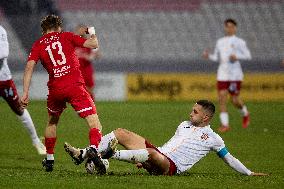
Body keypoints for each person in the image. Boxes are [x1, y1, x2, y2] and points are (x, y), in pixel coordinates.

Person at [65, 100, 266, 176]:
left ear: (206, 117)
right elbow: (169, 146)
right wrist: (143, 158)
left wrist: (248, 173)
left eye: (195, 112)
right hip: (158, 155)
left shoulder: (214, 139)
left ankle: (109, 155)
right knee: (121, 132)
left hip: (170, 168)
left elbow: (229, 158)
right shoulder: (184, 125)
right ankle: (83, 154)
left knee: (152, 153)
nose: (190, 114)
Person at [20, 14, 106, 173]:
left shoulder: (38, 44)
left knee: (52, 122)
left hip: (55, 89)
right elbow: (94, 44)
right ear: (58, 27)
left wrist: (25, 92)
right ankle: (93, 148)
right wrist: (92, 31)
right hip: (74, 86)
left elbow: (29, 67)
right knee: (94, 121)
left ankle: (50, 159)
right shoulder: (65, 36)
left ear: (44, 30)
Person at [0, 24, 46, 155]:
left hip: (3, 80)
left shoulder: (1, 31)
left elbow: (2, 56)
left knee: (19, 109)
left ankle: (36, 140)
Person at [203, 19, 251, 133]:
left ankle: (245, 112)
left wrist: (237, 56)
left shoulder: (240, 42)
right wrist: (208, 56)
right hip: (222, 74)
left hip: (235, 75)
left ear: (235, 28)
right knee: (222, 98)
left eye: (231, 26)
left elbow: (248, 56)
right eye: (227, 26)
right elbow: (216, 57)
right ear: (225, 28)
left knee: (235, 100)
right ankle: (225, 124)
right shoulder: (220, 41)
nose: (229, 29)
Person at [75, 24, 101, 100]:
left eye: (82, 30)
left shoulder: (88, 42)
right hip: (77, 70)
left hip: (86, 69)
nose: (80, 32)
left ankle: (92, 107)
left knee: (90, 90)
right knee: (78, 91)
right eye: (79, 30)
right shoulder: (73, 42)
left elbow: (98, 55)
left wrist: (91, 57)